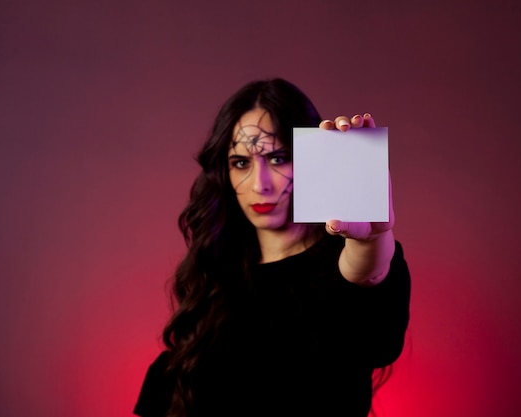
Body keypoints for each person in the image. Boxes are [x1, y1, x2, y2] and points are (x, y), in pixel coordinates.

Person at [134, 78, 411, 417]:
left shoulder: (340, 267)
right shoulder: (217, 278)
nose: (260, 184)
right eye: (241, 163)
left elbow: (364, 280)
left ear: (313, 160)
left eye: (278, 158)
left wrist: (371, 241)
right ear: (223, 172)